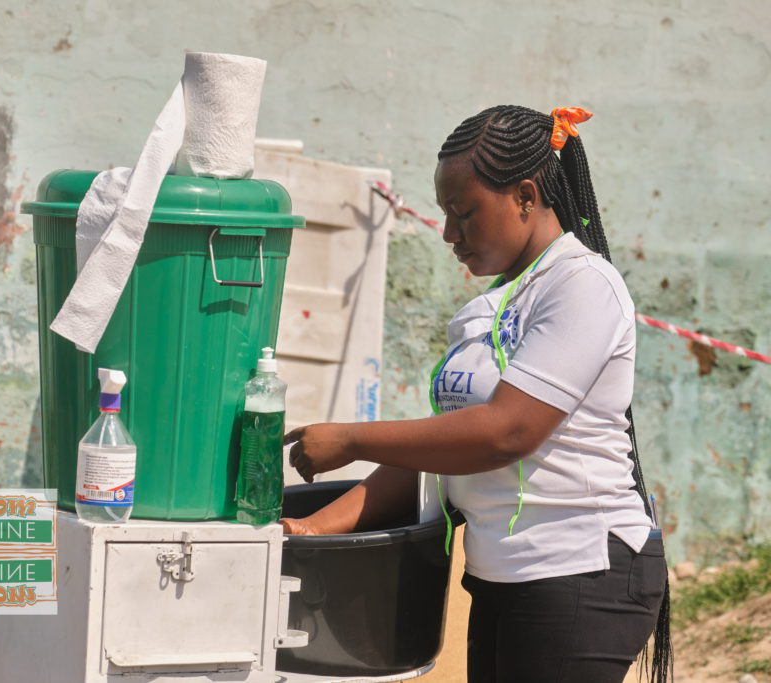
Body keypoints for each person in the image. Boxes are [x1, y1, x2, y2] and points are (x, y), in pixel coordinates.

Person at [282, 105, 671, 683]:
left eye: (463, 213)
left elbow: (505, 432)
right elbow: (439, 456)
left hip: (580, 573)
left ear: (525, 196)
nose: (448, 233)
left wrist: (351, 438)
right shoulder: (495, 306)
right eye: (444, 214)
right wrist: (314, 529)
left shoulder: (583, 285)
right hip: (505, 577)